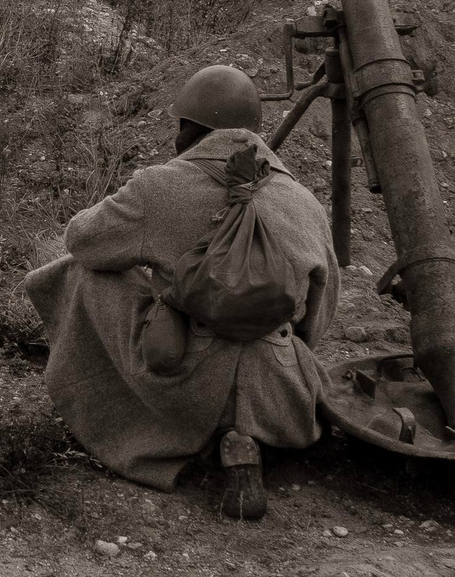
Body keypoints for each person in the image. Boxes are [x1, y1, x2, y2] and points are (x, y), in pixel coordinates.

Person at [22, 65, 337, 519]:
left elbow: (83, 241)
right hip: (285, 399)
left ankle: (134, 423)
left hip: (182, 389)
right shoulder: (303, 201)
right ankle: (245, 437)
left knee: (77, 272)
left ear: (190, 127)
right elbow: (320, 312)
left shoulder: (160, 186)